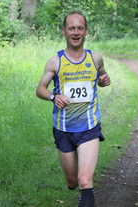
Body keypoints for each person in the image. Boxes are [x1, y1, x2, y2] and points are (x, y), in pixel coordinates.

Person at [36, 10, 111, 207]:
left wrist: (103, 81)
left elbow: (102, 77)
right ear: (64, 31)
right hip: (64, 129)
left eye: (80, 28)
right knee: (72, 182)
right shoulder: (56, 61)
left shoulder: (95, 58)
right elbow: (40, 90)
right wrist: (54, 96)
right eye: (71, 28)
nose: (76, 32)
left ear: (86, 31)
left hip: (89, 128)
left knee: (85, 180)